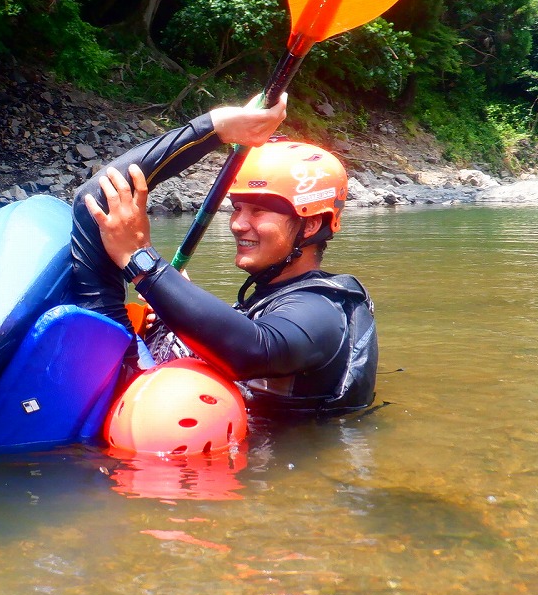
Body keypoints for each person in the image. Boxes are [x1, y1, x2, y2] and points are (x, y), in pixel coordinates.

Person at [71, 96, 378, 417]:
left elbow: (253, 350)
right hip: (216, 432)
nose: (238, 224)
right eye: (237, 208)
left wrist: (143, 263)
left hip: (235, 441)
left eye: (258, 211)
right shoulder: (276, 301)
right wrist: (170, 303)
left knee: (95, 208)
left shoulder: (324, 312)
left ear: (310, 224)